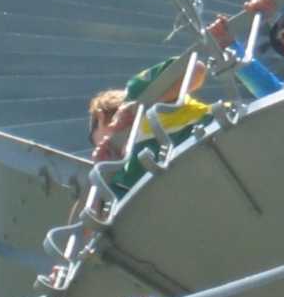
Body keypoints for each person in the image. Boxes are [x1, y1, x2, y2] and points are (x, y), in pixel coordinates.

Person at [88, 14, 235, 198]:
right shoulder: (128, 170)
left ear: (101, 116)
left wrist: (141, 107)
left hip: (227, 133)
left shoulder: (137, 91)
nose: (101, 146)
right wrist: (102, 173)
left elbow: (195, 69)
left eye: (95, 140)